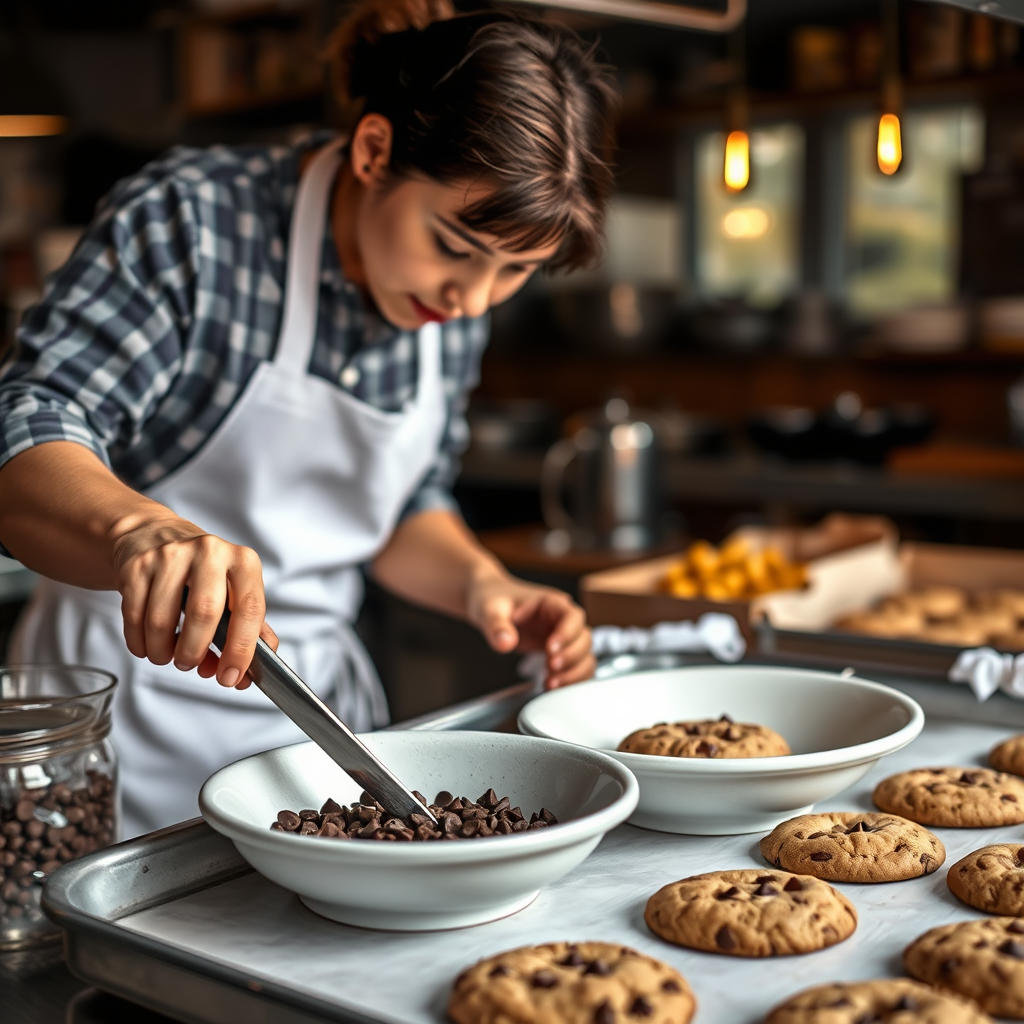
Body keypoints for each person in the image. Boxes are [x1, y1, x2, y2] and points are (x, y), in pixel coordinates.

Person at [0, 0, 619, 839]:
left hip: (312, 738)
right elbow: (33, 419)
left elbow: (402, 507)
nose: (470, 298)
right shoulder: (195, 223)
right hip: (124, 723)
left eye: (515, 273)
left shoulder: (449, 301)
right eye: (457, 249)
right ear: (374, 151)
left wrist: (484, 585)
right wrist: (138, 532)